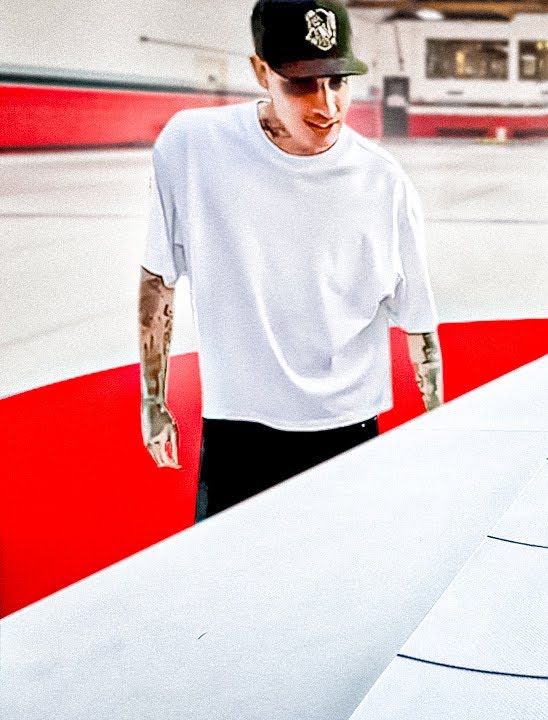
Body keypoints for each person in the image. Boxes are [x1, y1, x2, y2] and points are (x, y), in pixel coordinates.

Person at [138, 0, 443, 520]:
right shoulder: (193, 147)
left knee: (346, 584)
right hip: (239, 430)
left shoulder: (382, 180)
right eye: (301, 83)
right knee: (228, 583)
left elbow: (418, 322)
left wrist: (439, 423)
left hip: (350, 428)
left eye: (338, 82)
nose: (327, 105)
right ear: (261, 71)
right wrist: (152, 399)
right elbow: (157, 280)